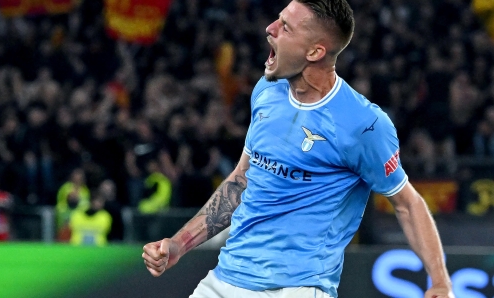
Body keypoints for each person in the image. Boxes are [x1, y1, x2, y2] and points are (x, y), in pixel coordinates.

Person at [142, 1, 455, 298]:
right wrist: (179, 244)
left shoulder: (363, 124)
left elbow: (407, 203)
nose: (270, 28)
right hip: (226, 280)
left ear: (316, 51)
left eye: (285, 27)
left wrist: (440, 282)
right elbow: (242, 181)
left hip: (298, 288)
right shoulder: (267, 91)